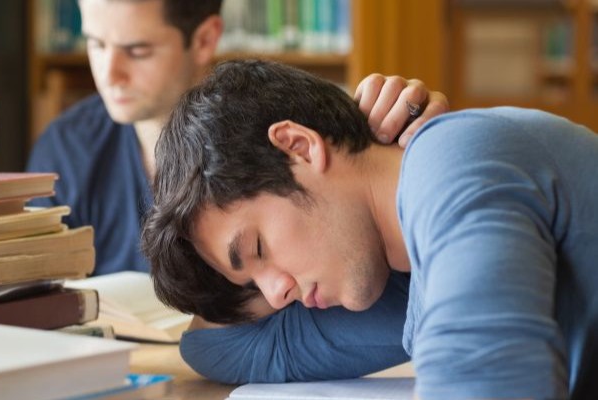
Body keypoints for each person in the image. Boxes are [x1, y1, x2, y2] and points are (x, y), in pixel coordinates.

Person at [143, 59, 598, 397]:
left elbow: (487, 386)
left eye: (258, 247)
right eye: (253, 285)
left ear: (298, 147)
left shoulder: (453, 165)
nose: (276, 295)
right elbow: (213, 348)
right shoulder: (400, 280)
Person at [26, 0, 448, 276]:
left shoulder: (283, 123)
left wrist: (402, 150)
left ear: (206, 38)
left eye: (137, 51)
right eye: (96, 44)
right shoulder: (66, 146)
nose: (109, 73)